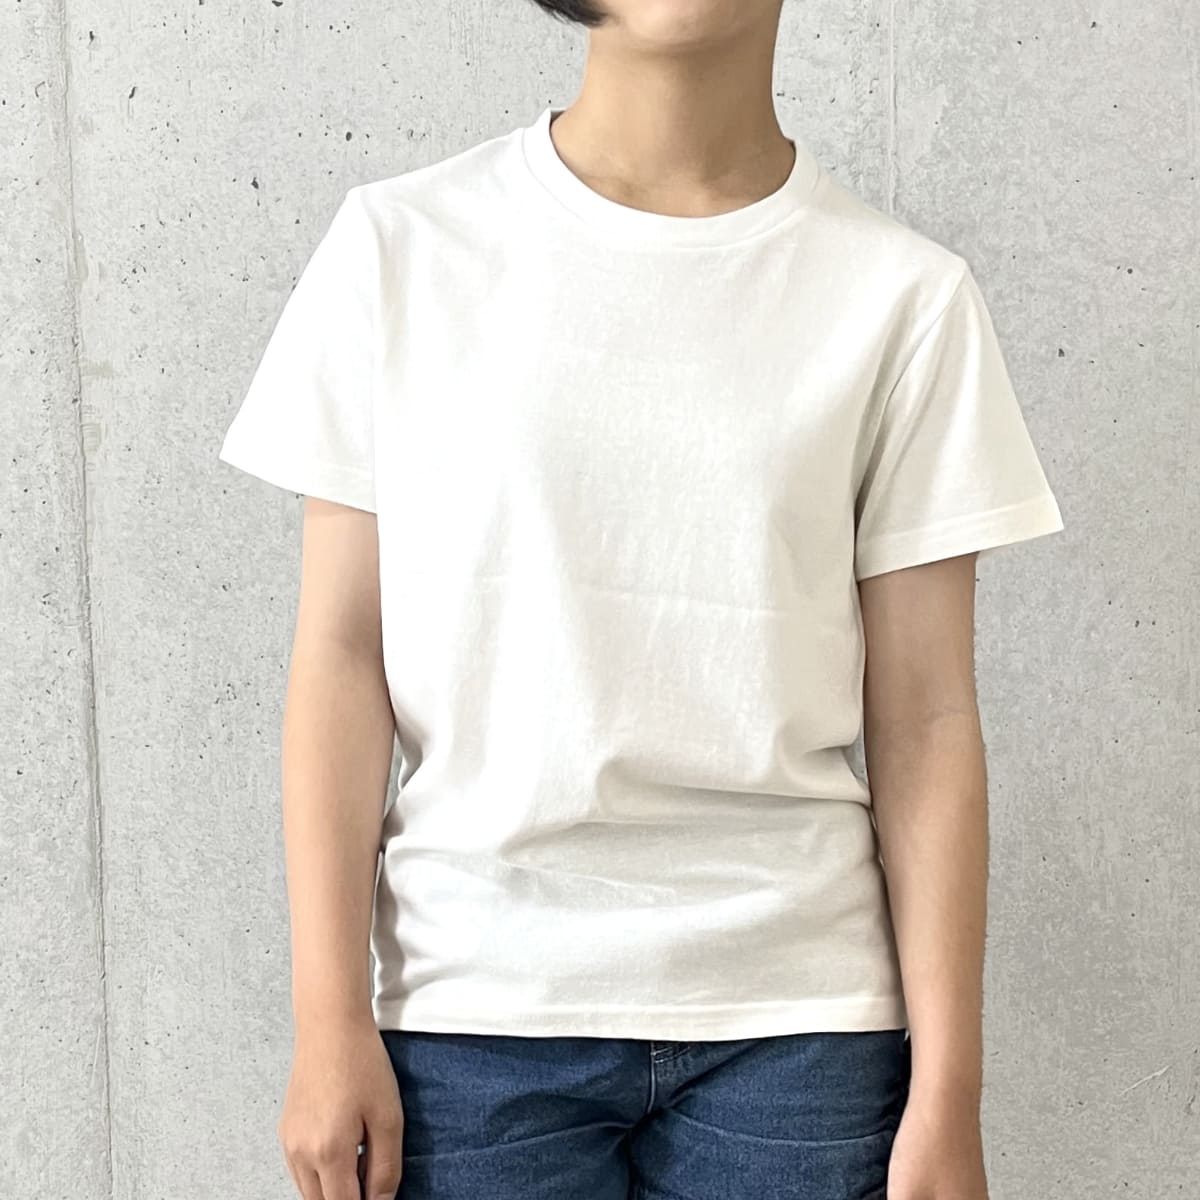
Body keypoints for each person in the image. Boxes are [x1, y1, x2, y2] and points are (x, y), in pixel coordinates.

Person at [217, 2, 1065, 1198]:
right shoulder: (402, 247)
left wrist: (951, 1094)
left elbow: (925, 719)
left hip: (803, 1031)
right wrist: (325, 1022)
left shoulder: (903, 299)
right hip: (473, 1016)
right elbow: (343, 655)